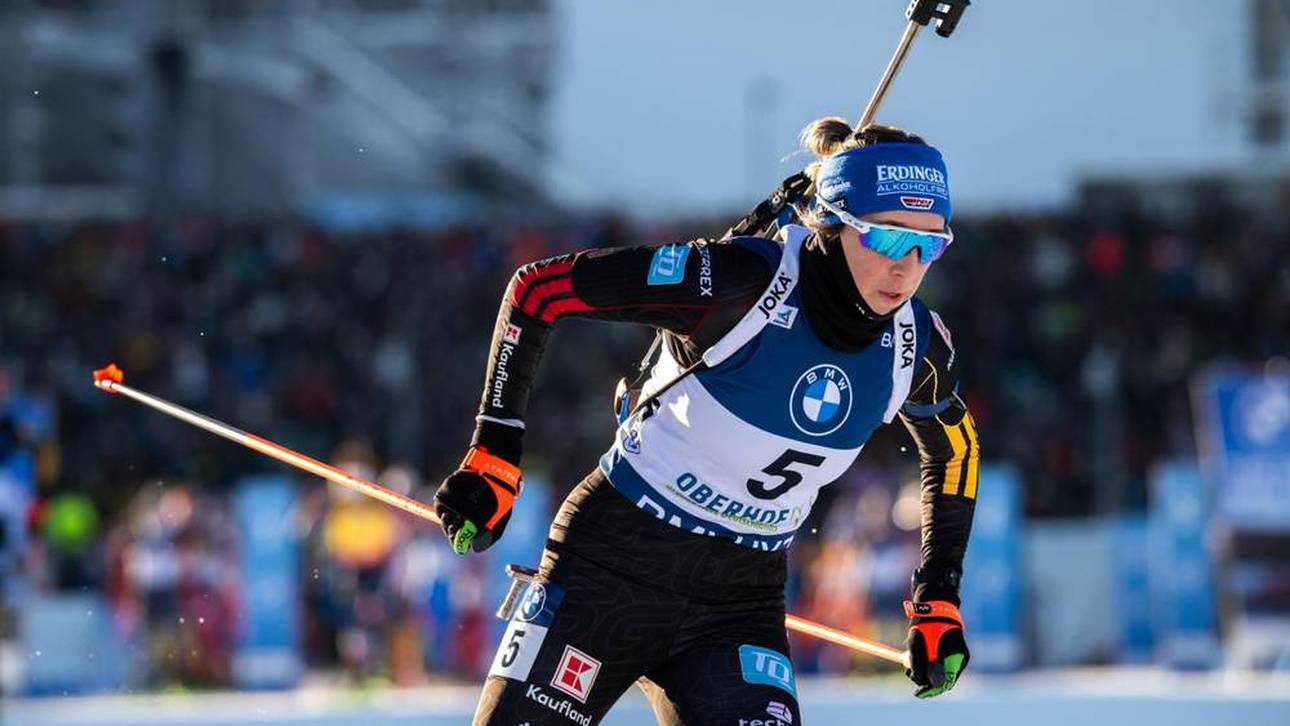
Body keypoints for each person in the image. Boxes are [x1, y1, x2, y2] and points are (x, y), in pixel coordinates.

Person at [431, 118, 980, 725]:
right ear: (832, 221)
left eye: (929, 245)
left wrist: (937, 599)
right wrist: (494, 452)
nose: (906, 268)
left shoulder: (916, 345)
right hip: (612, 565)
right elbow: (540, 290)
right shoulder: (742, 283)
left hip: (739, 603)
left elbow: (956, 452)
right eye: (888, 239)